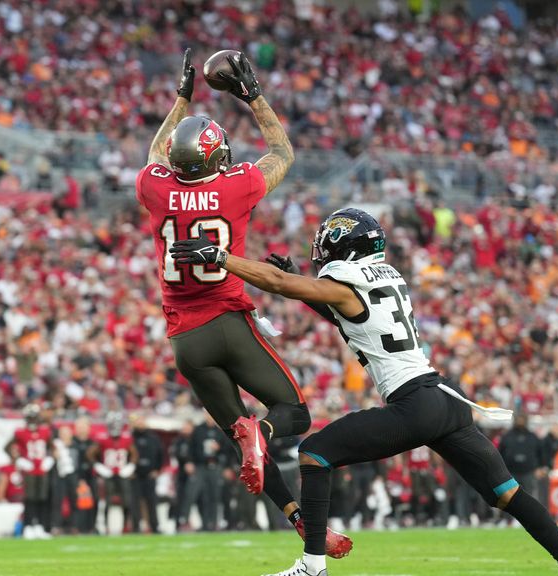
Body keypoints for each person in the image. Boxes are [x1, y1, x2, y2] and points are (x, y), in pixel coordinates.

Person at [170, 208, 558, 576]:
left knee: (314, 453)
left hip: (413, 403)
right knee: (507, 494)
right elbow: (348, 315)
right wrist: (303, 286)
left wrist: (222, 258)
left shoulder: (347, 281)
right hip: (445, 400)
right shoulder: (385, 276)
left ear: (346, 248)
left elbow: (284, 286)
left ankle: (312, 565)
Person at [135, 48, 349, 556]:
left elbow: (155, 153)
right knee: (292, 415)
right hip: (228, 318)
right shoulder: (235, 187)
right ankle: (263, 430)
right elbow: (282, 152)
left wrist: (181, 99)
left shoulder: (156, 188)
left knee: (241, 437)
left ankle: (303, 526)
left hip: (185, 340)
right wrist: (252, 95)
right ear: (216, 158)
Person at [12, 404, 53, 540]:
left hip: (42, 469)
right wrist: (19, 460)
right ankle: (28, 525)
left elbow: (53, 448)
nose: (33, 421)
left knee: (42, 498)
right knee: (30, 499)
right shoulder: (20, 432)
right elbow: (7, 447)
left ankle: (40, 526)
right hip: (29, 470)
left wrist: (50, 459)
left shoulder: (45, 431)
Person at [130, 413, 164, 534]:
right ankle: (135, 527)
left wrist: (157, 469)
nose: (140, 423)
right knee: (134, 502)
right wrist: (129, 471)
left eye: (141, 420)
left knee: (152, 502)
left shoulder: (153, 437)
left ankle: (154, 526)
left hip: (150, 475)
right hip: (134, 475)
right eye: (137, 420)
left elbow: (160, 454)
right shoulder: (130, 437)